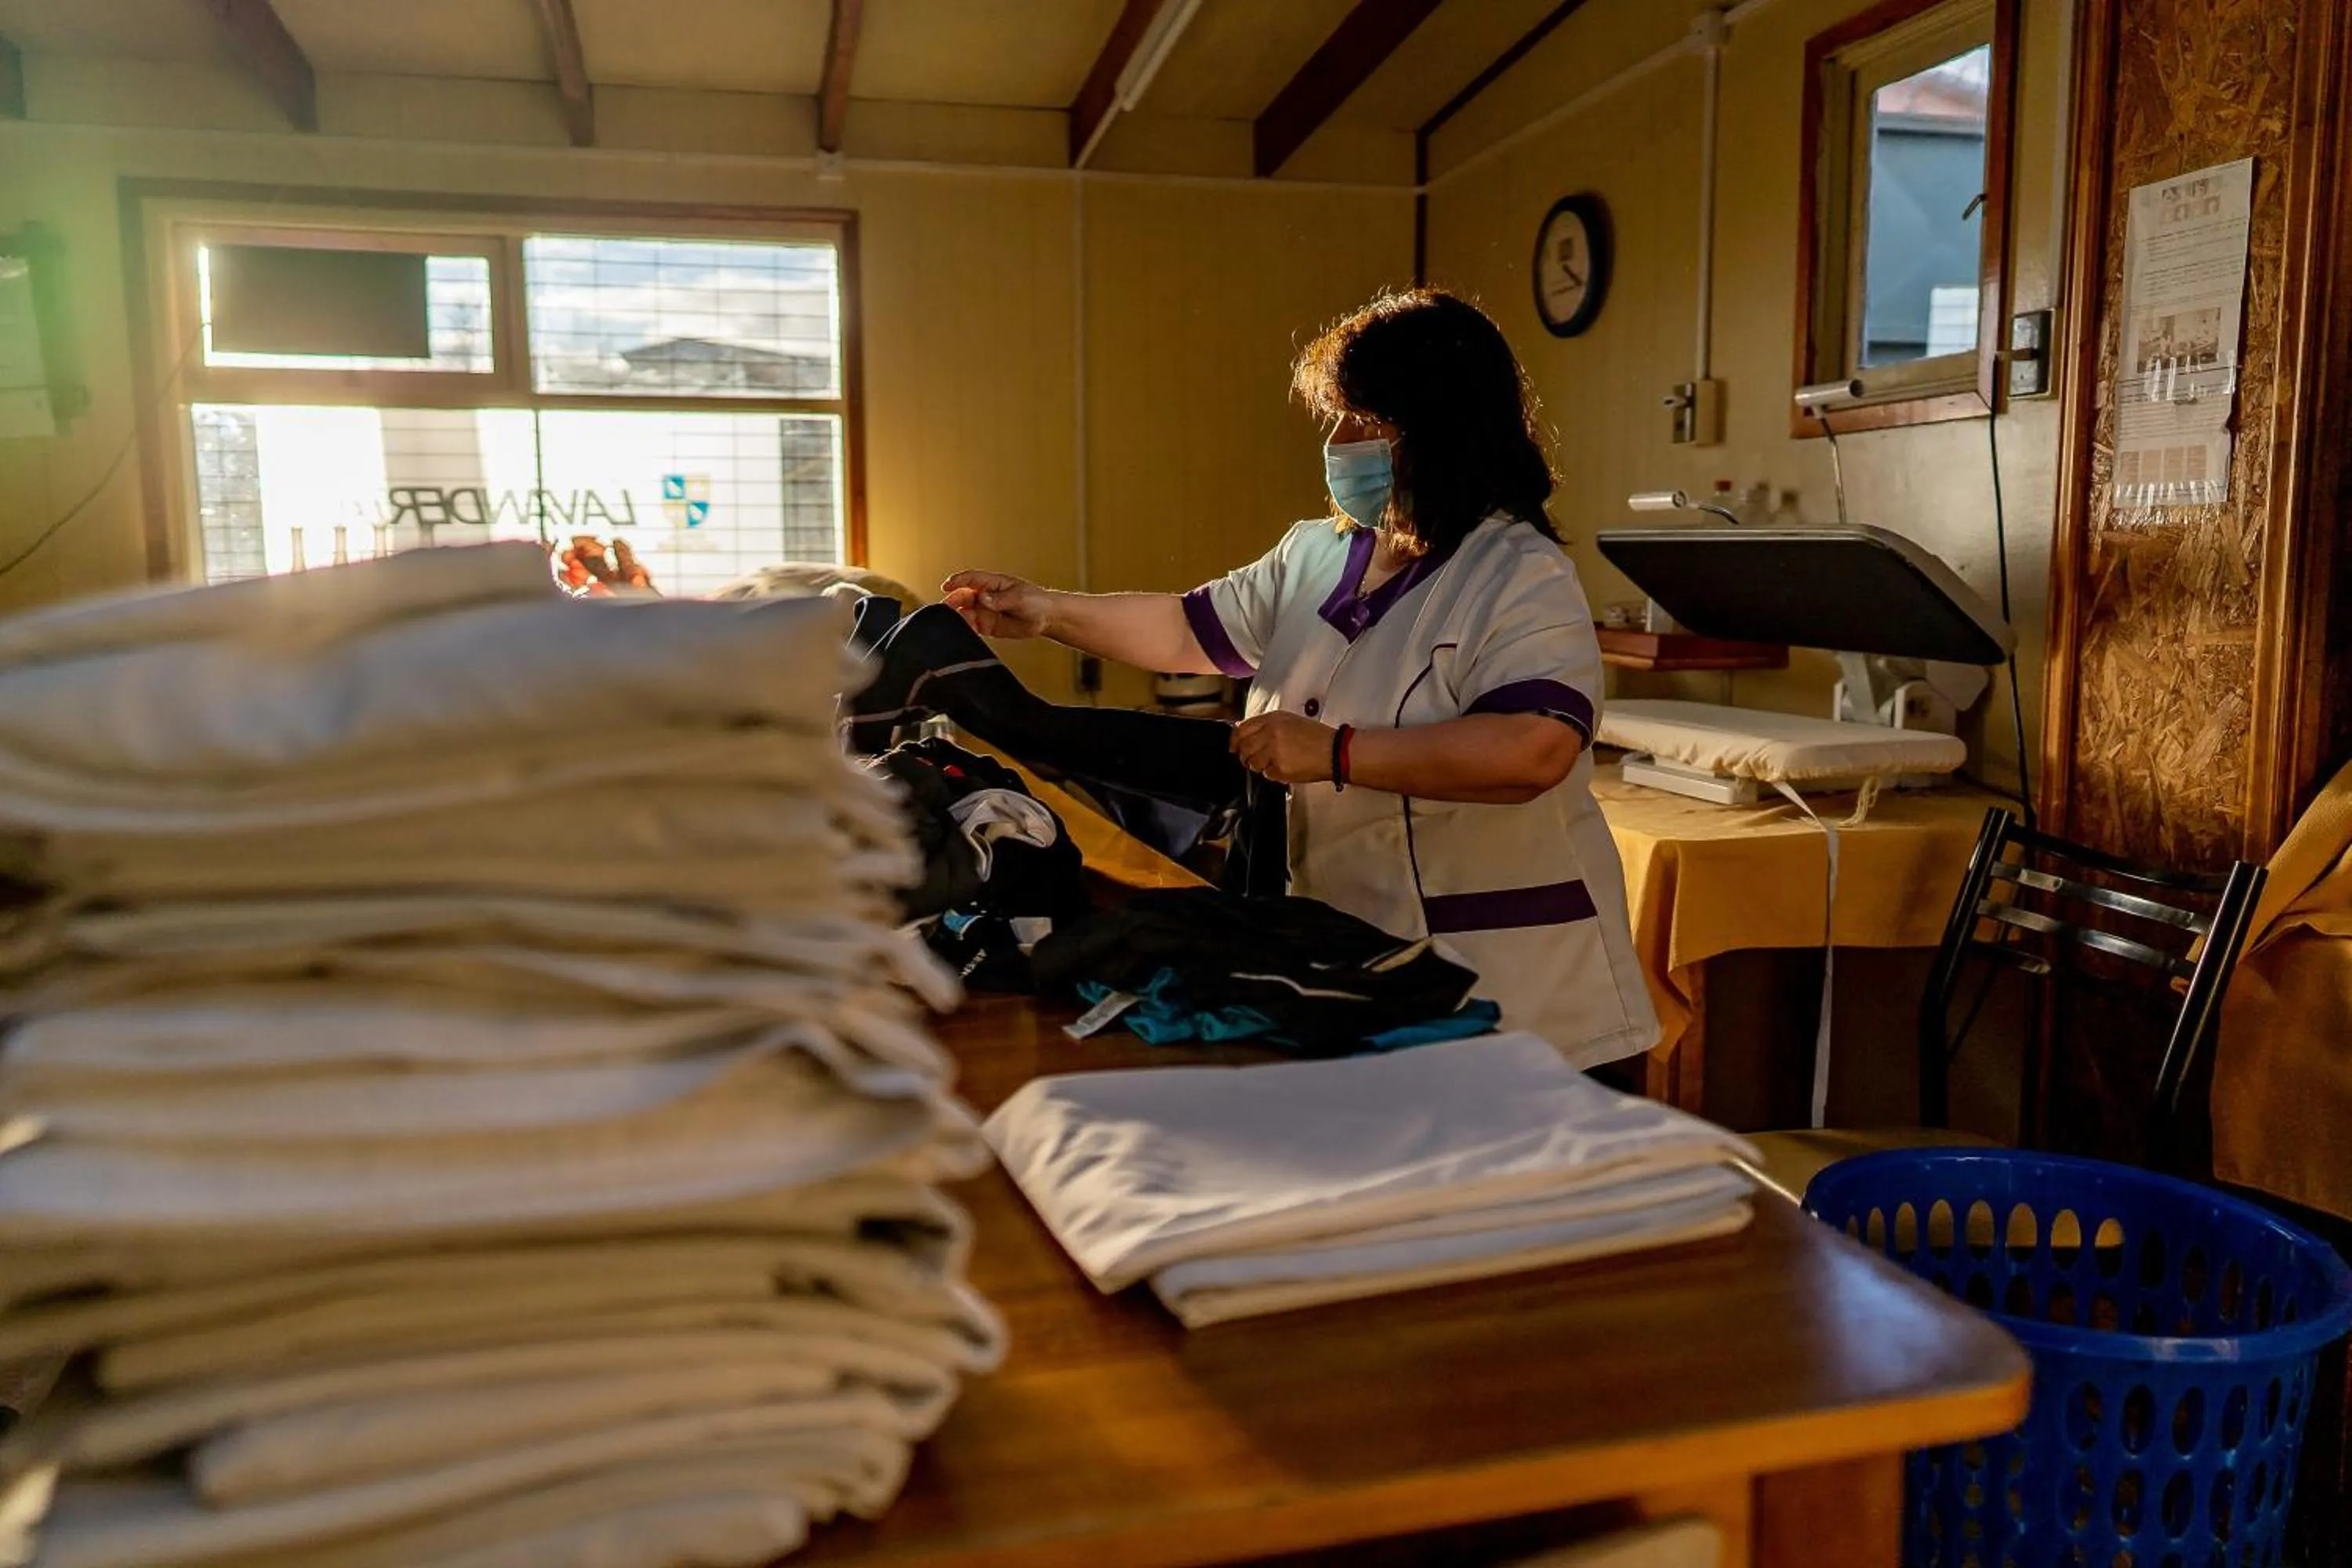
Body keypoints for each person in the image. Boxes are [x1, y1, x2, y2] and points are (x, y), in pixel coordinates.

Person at [942, 289, 1657, 1071]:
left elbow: (1532, 750)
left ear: (1444, 427)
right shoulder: (1316, 553)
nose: (1341, 442)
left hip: (1519, 988)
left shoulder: (1519, 571)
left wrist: (1337, 753)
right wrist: (1044, 610)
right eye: (1339, 420)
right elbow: (1188, 629)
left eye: (1368, 423)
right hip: (1353, 968)